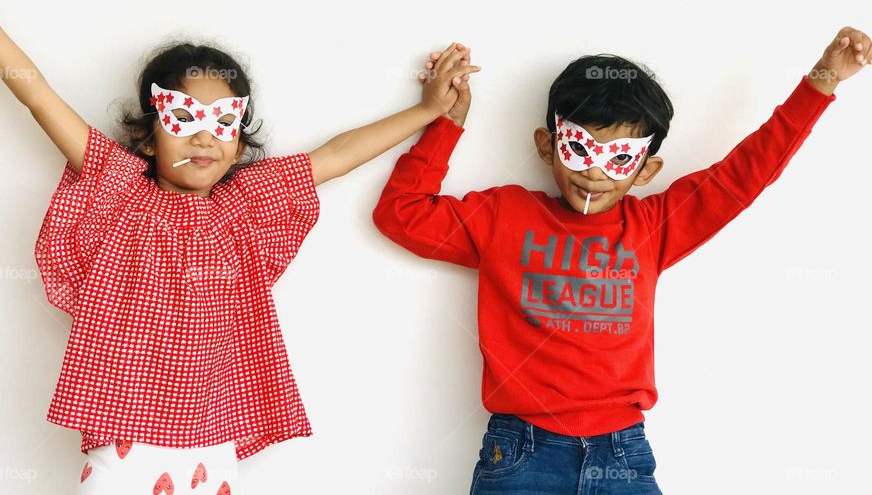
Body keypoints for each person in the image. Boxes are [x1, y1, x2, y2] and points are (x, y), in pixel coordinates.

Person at [0, 0, 480, 493]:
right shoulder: (119, 186)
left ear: (239, 141)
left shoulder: (247, 201)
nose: (205, 136)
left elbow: (338, 153)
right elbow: (38, 98)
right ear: (146, 133)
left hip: (213, 431)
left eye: (222, 123)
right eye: (183, 119)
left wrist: (429, 110)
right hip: (126, 432)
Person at [372, 34, 869, 494]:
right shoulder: (504, 216)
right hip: (520, 452)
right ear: (547, 146)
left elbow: (746, 174)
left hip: (624, 452)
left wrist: (822, 81)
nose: (593, 171)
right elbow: (400, 214)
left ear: (647, 169)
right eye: (579, 148)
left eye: (618, 157)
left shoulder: (655, 227)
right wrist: (443, 121)